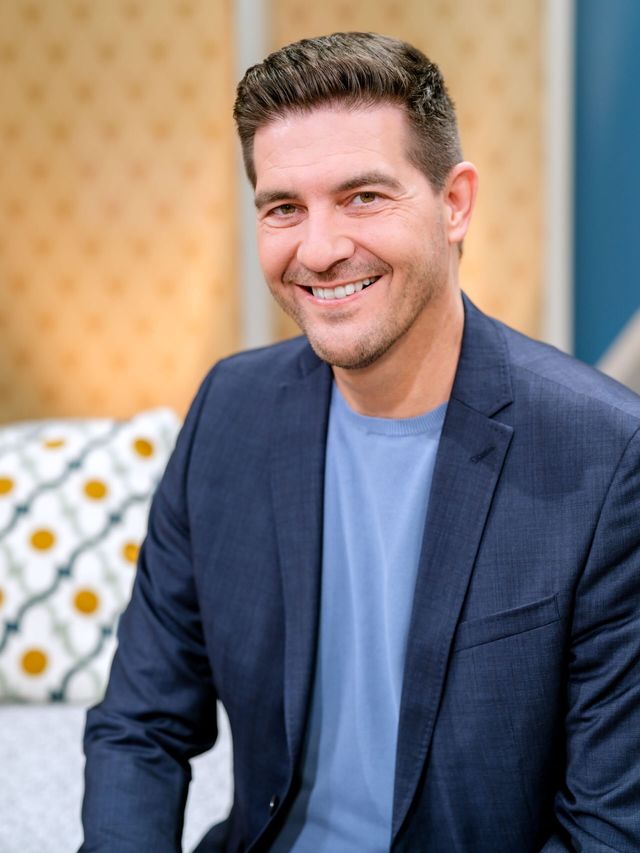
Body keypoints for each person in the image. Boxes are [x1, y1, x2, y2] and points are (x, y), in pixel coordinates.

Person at [81, 32, 640, 852]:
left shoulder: (605, 453)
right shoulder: (229, 411)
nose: (319, 249)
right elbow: (139, 725)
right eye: (284, 208)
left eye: (364, 197)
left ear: (455, 203)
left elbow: (610, 826)